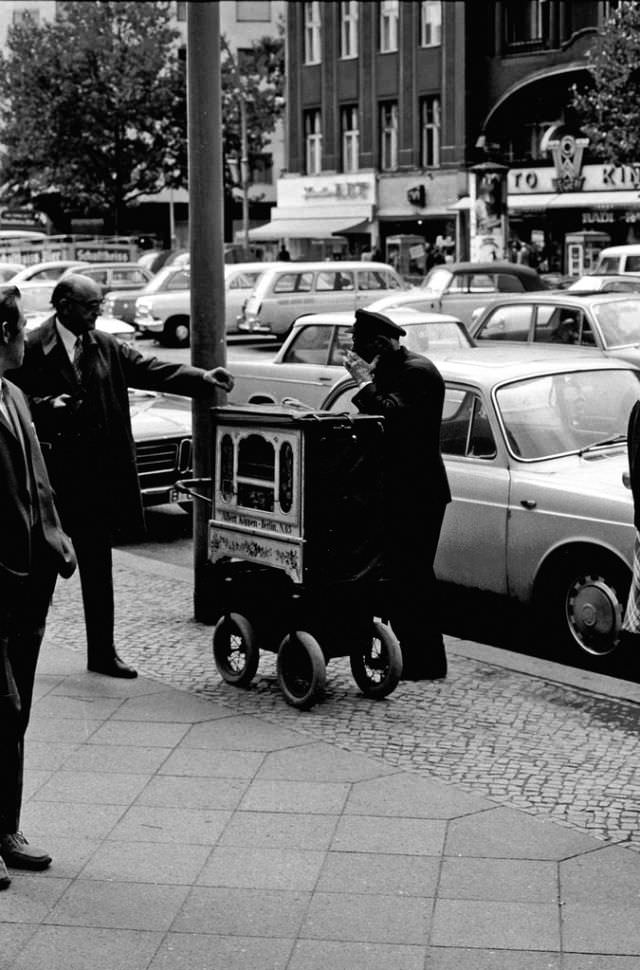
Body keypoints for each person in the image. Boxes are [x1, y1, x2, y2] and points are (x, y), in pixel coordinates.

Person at [12, 274, 234, 680]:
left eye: (99, 304)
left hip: (94, 481)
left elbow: (149, 369)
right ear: (63, 306)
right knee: (42, 574)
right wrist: (44, 405)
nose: (98, 311)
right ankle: (23, 651)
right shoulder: (30, 346)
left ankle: (102, 652)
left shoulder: (104, 345)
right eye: (91, 305)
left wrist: (200, 378)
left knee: (99, 570)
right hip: (50, 482)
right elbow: (10, 393)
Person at [0, 286, 76, 890]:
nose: (29, 335)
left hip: (30, 579)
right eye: (22, 327)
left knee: (17, 707)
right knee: (0, 707)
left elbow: (38, 480)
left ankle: (6, 826)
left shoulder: (15, 394)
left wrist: (56, 534)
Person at [343, 307, 451, 680]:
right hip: (399, 491)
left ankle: (427, 662)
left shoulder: (416, 372)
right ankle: (408, 656)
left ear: (378, 343)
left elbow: (393, 419)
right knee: (401, 576)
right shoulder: (394, 368)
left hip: (418, 494)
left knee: (413, 577)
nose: (355, 354)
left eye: (359, 345)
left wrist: (362, 383)